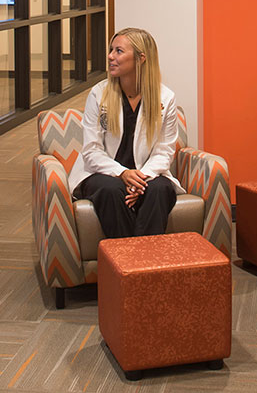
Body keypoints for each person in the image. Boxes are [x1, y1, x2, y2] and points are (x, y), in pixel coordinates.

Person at [70, 28, 183, 239]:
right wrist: (122, 173)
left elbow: (164, 151)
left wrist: (139, 180)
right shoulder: (98, 94)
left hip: (145, 172)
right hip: (102, 173)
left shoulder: (165, 98)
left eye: (119, 51)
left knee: (159, 190)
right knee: (112, 190)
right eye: (111, 50)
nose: (111, 56)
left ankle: (142, 264)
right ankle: (129, 262)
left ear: (141, 58)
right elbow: (91, 151)